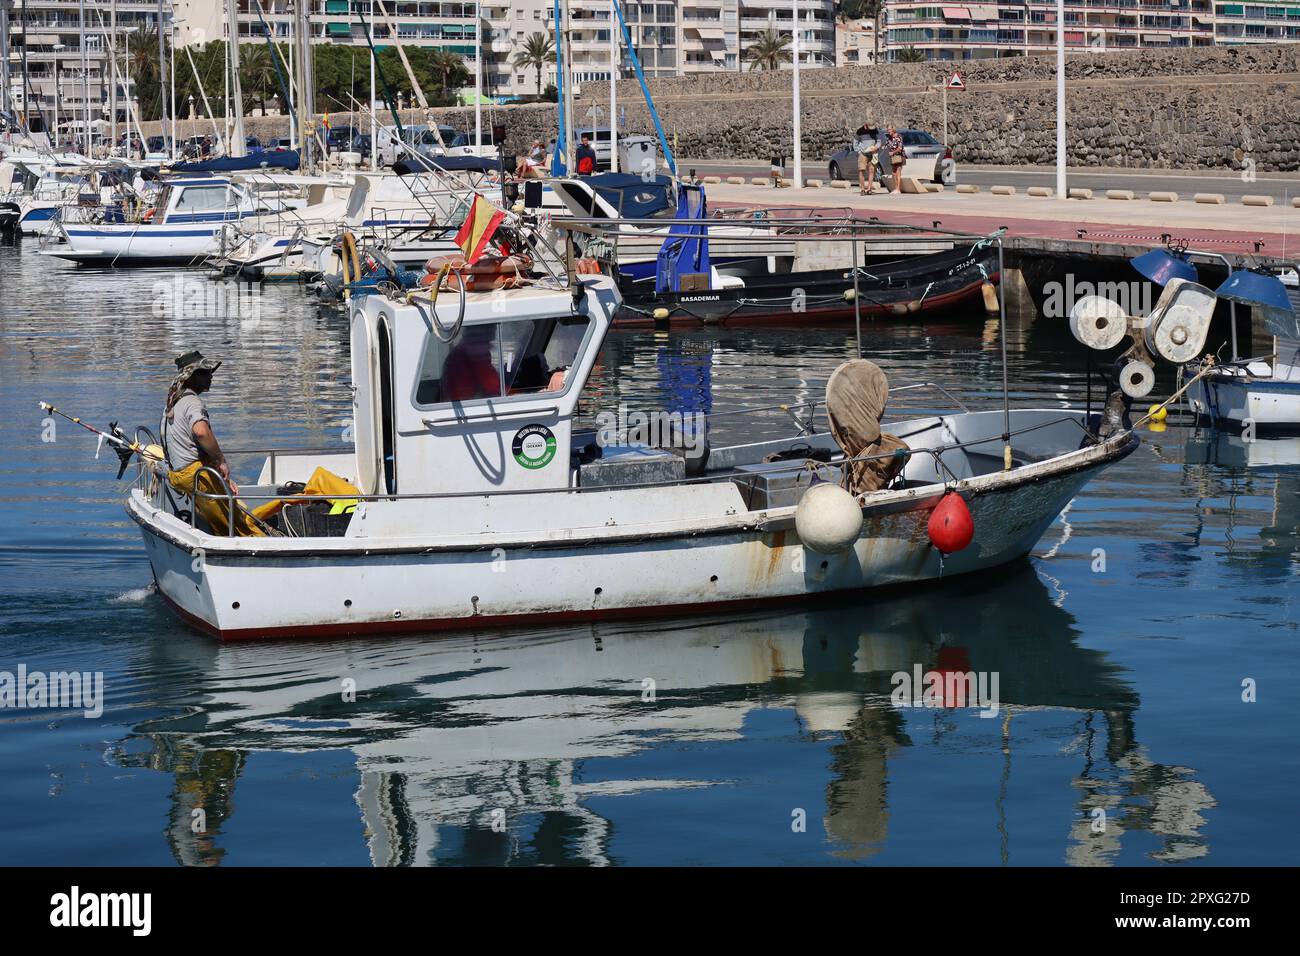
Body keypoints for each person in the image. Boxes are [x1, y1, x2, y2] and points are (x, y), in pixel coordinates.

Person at [854, 123, 882, 196]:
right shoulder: (860, 131)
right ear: (866, 125)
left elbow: (879, 141)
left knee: (872, 171)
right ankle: (862, 189)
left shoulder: (875, 130)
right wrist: (859, 151)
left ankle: (869, 189)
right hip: (863, 154)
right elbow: (855, 143)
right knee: (861, 170)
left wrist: (876, 147)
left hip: (872, 153)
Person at [884, 125, 906, 194]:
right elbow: (886, 145)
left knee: (898, 172)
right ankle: (896, 188)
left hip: (899, 156)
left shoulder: (898, 137)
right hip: (893, 157)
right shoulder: (889, 138)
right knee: (893, 173)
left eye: (889, 129)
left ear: (893, 129)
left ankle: (898, 189)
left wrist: (893, 152)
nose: (888, 131)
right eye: (887, 130)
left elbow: (900, 148)